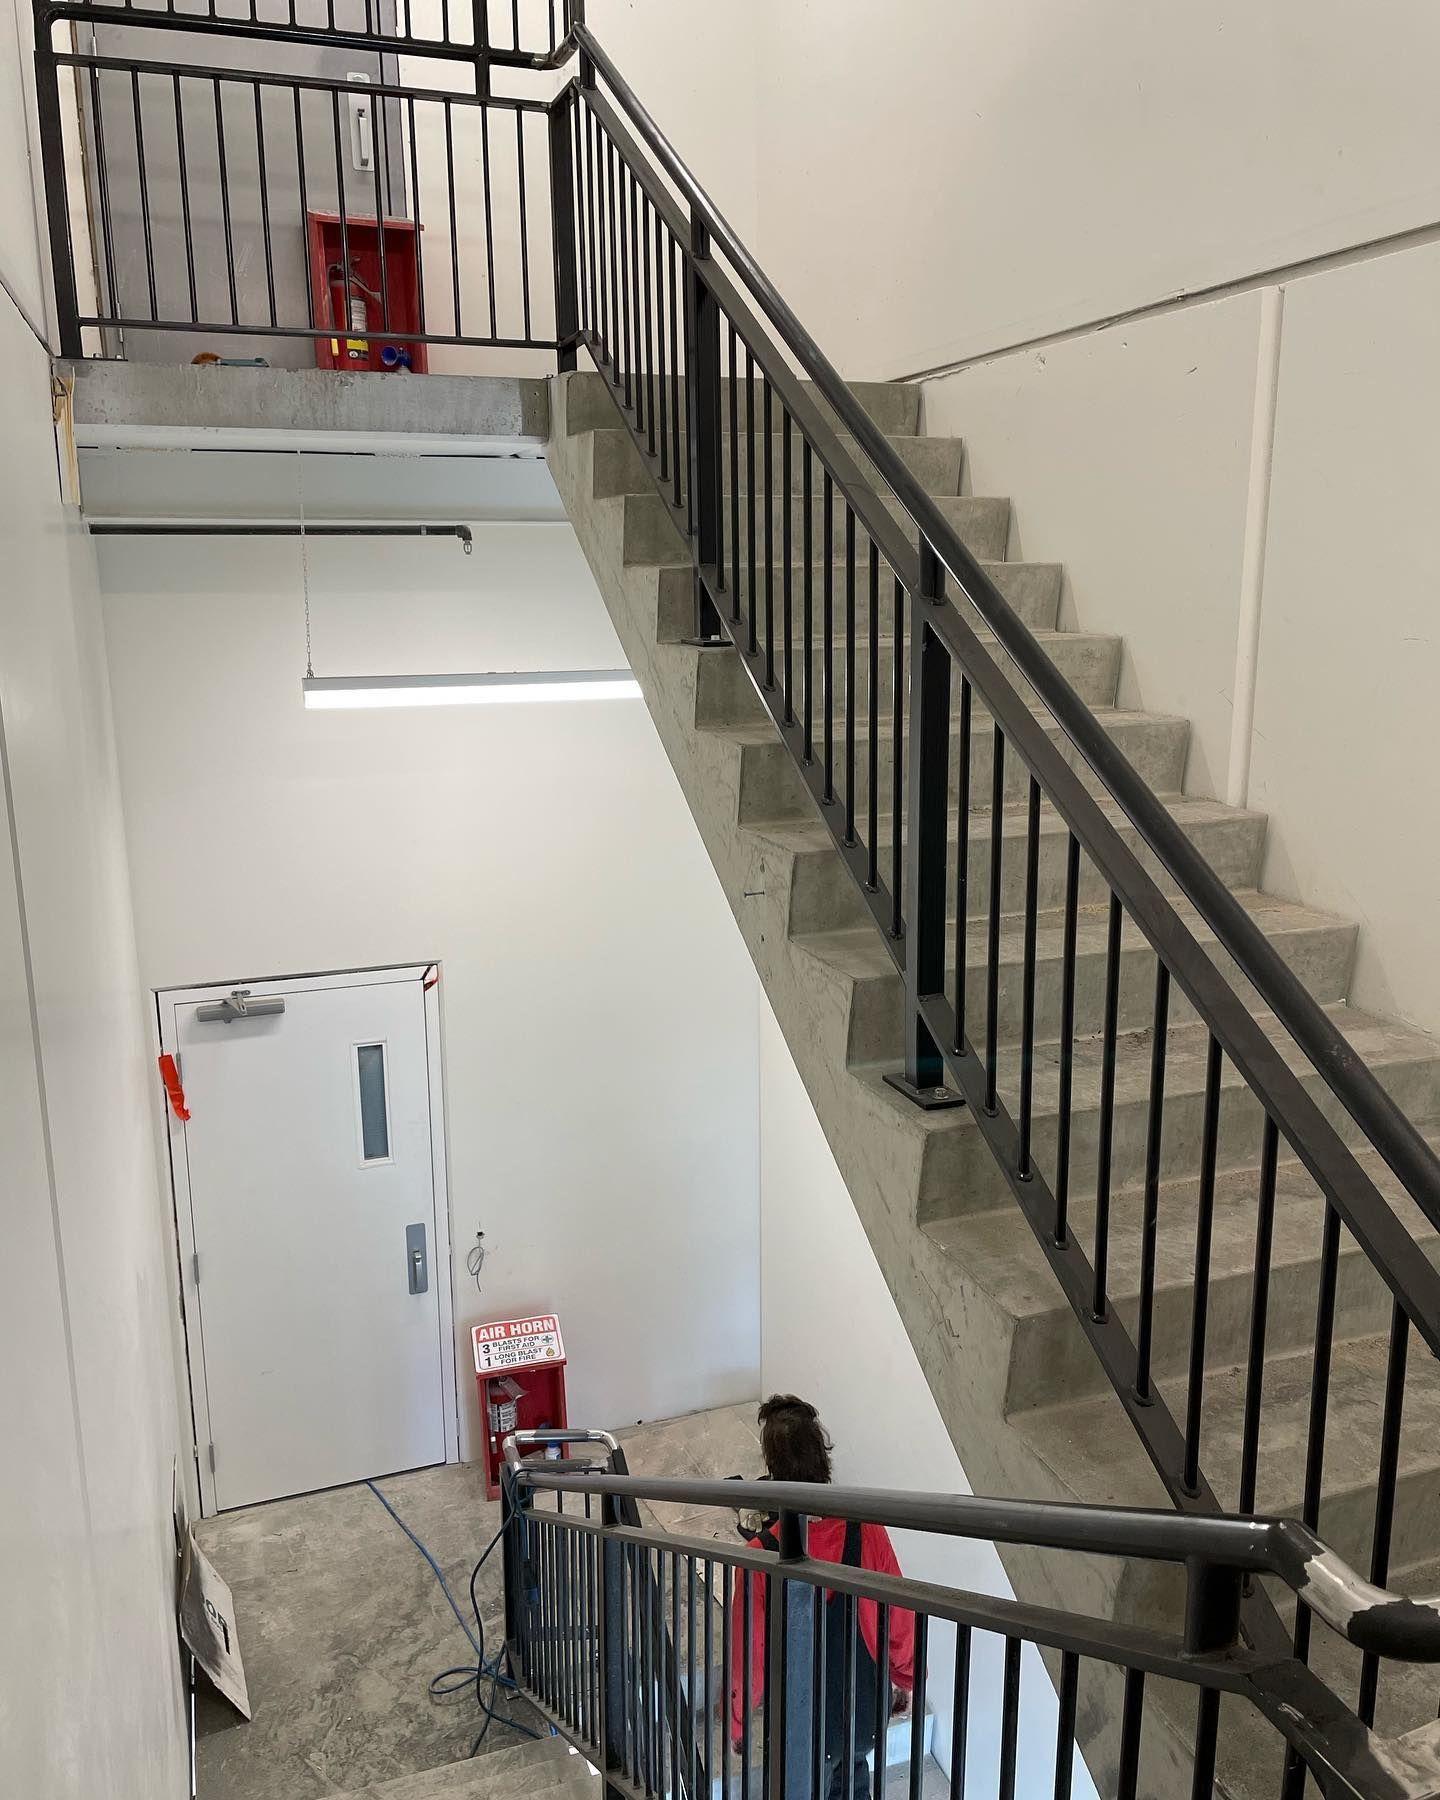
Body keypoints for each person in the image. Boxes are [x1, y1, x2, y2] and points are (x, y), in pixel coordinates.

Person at [727, 1396, 917, 1799]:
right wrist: (906, 1679)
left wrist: (739, 1718)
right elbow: (898, 1617)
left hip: (802, 1723)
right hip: (862, 1711)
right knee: (855, 1779)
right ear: (822, 1458)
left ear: (773, 1471)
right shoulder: (868, 1532)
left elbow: (752, 1650)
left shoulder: (760, 1558)